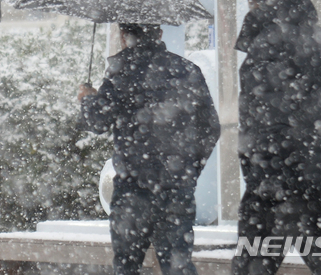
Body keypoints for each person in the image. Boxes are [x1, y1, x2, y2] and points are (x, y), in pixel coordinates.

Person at [78, 23, 220, 275]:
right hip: (175, 187)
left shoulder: (121, 73)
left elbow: (97, 122)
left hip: (133, 188)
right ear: (159, 34)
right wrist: (187, 171)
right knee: (178, 266)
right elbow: (210, 129)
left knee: (127, 265)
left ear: (124, 36)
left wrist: (88, 99)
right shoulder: (187, 70)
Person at [232, 0, 321, 275]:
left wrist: (259, 167)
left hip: (271, 179)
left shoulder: (262, 47)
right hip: (318, 175)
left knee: (253, 266)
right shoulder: (319, 38)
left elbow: (256, 117)